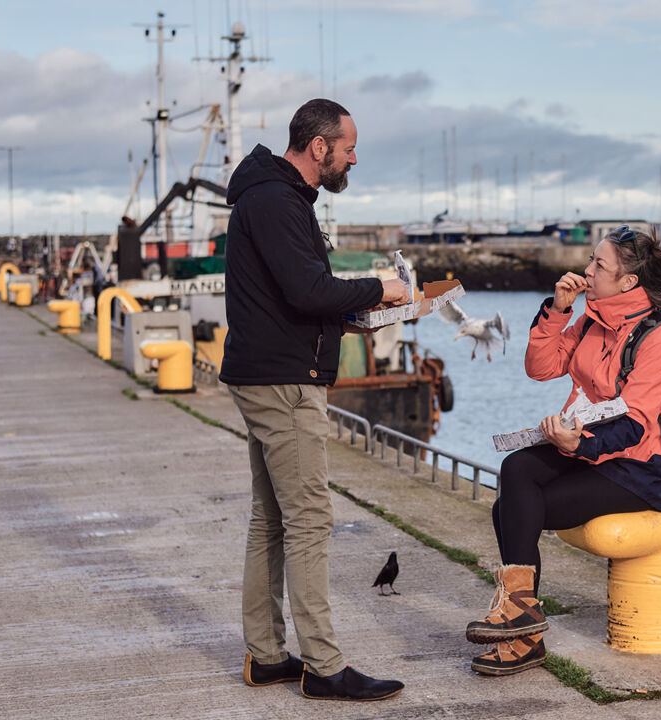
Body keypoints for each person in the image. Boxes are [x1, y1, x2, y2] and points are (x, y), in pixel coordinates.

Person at [219, 98, 409, 702]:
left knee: (271, 519)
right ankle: (323, 667)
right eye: (348, 147)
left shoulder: (274, 197)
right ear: (319, 147)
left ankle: (267, 654)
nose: (355, 157)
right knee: (308, 520)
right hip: (283, 382)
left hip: (264, 371)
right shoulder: (277, 200)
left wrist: (354, 313)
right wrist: (381, 287)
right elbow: (305, 290)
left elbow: (294, 295)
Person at [465, 226, 661, 676]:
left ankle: (522, 634)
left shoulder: (660, 340)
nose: (584, 270)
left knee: (511, 508)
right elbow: (540, 367)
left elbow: (634, 424)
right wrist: (557, 311)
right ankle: (522, 621)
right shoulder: (589, 320)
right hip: (586, 449)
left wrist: (577, 442)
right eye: (590, 260)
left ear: (628, 282)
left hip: (635, 470)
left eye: (598, 265)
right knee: (517, 468)